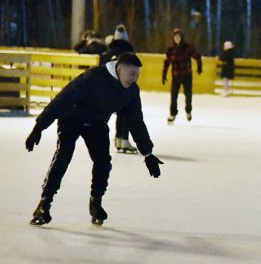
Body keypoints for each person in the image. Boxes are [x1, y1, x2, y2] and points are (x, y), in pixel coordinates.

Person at [25, 53, 164, 226]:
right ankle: (44, 204)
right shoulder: (93, 77)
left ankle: (96, 203)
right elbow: (62, 100)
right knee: (63, 156)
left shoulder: (131, 91)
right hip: (71, 118)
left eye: (137, 74)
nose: (134, 79)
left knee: (103, 161)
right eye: (131, 74)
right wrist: (39, 127)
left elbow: (136, 122)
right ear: (119, 70)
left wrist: (148, 153)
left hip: (96, 122)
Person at [101, 24, 138, 153]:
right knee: (125, 112)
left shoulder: (106, 54)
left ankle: (117, 139)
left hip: (107, 90)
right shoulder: (129, 55)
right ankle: (123, 139)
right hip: (123, 88)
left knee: (108, 115)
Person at [162, 28, 202, 124]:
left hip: (187, 75)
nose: (177, 38)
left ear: (181, 37)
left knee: (188, 95)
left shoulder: (187, 47)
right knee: (173, 96)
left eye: (178, 37)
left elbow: (197, 56)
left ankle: (188, 110)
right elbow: (167, 62)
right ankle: (172, 114)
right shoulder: (170, 50)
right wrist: (164, 74)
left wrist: (200, 66)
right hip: (176, 76)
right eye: (175, 37)